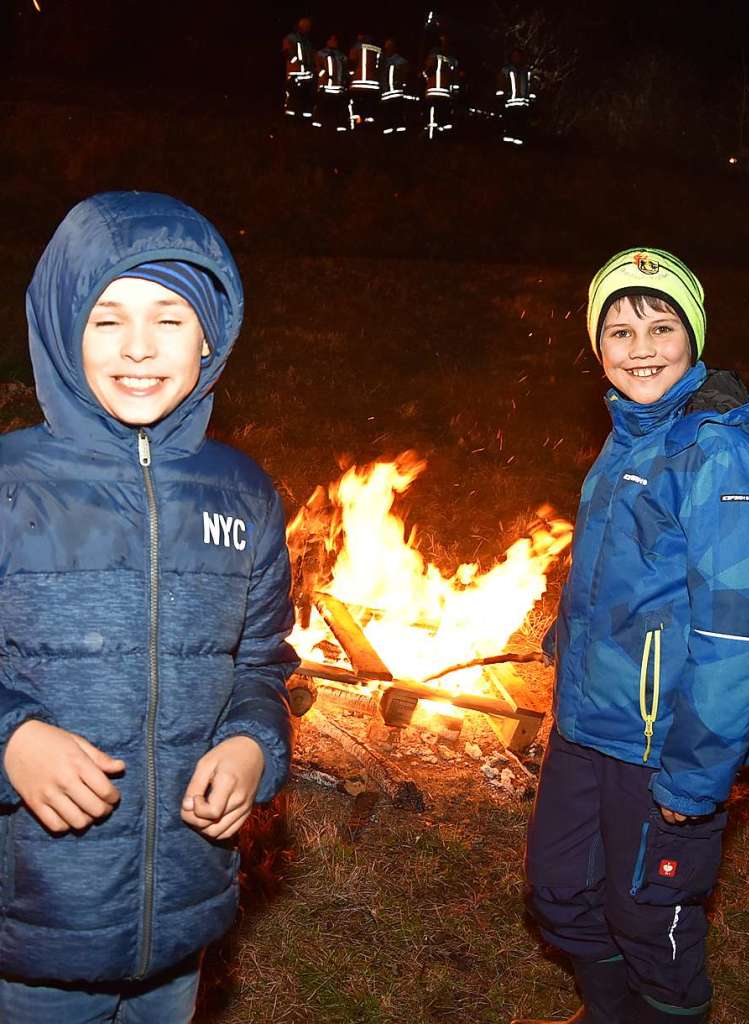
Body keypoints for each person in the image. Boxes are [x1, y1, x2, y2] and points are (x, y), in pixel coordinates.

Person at [0, 191, 297, 1023]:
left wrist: (251, 743)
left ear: (211, 337)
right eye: (106, 320)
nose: (139, 348)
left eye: (169, 318)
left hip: (179, 918)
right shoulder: (10, 485)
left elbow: (262, 661)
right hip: (30, 931)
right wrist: (12, 738)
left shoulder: (241, 495)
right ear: (63, 328)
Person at [512, 248, 749, 1024]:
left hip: (663, 744)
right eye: (619, 330)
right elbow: (607, 573)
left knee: (652, 918)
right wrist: (565, 650)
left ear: (693, 336)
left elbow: (738, 638)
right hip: (592, 723)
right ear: (597, 345)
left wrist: (696, 776)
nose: (641, 348)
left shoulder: (713, 451)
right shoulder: (629, 433)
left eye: (661, 326)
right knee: (558, 889)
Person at [422, 34, 460, 139]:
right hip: (443, 93)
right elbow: (455, 78)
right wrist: (455, 92)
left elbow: (425, 72)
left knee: (434, 116)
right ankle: (441, 137)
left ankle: (432, 137)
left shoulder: (434, 57)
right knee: (442, 116)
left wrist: (428, 81)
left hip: (434, 92)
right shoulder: (452, 60)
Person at [497, 47, 536, 145]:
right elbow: (500, 84)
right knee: (510, 124)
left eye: (518, 56)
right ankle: (508, 142)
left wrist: (532, 98)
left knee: (521, 125)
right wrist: (501, 97)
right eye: (514, 56)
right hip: (510, 103)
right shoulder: (506, 70)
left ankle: (519, 144)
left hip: (523, 104)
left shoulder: (527, 71)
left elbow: (531, 85)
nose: (516, 58)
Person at [313, 33, 350, 132]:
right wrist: (324, 75)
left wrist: (344, 82)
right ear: (327, 41)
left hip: (338, 88)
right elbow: (317, 68)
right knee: (322, 109)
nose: (334, 42)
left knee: (337, 110)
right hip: (325, 87)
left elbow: (345, 70)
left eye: (336, 40)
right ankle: (319, 129)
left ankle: (339, 129)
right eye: (332, 39)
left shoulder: (341, 56)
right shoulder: (320, 53)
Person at [282, 16, 315, 120]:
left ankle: (303, 119)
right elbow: (287, 53)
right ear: (301, 27)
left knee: (304, 98)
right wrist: (297, 63)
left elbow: (311, 57)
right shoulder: (291, 38)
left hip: (306, 75)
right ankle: (291, 119)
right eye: (307, 27)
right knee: (293, 97)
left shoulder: (307, 42)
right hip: (295, 74)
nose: (308, 29)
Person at [348, 32, 382, 126]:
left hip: (357, 84)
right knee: (369, 105)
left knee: (357, 105)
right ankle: (369, 122)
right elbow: (379, 66)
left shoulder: (355, 48)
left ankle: (357, 122)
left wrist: (350, 78)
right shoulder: (377, 49)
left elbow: (351, 64)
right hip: (372, 85)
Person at [380, 37, 411, 136]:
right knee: (388, 115)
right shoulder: (383, 60)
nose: (388, 48)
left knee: (396, 113)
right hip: (386, 94)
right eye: (387, 46)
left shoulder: (400, 61)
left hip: (396, 93)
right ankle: (389, 134)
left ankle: (398, 134)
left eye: (390, 46)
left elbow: (405, 75)